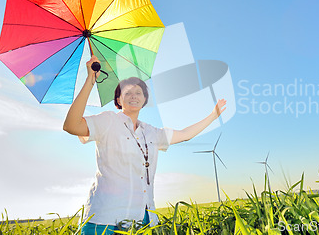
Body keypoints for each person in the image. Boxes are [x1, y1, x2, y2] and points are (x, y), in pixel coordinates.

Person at [63, 55, 226, 234]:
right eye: (127, 93)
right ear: (118, 100)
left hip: (143, 220)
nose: (133, 96)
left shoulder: (151, 132)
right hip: (104, 220)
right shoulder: (108, 120)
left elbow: (185, 134)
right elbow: (71, 125)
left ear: (144, 99)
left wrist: (213, 116)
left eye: (138, 92)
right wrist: (90, 81)